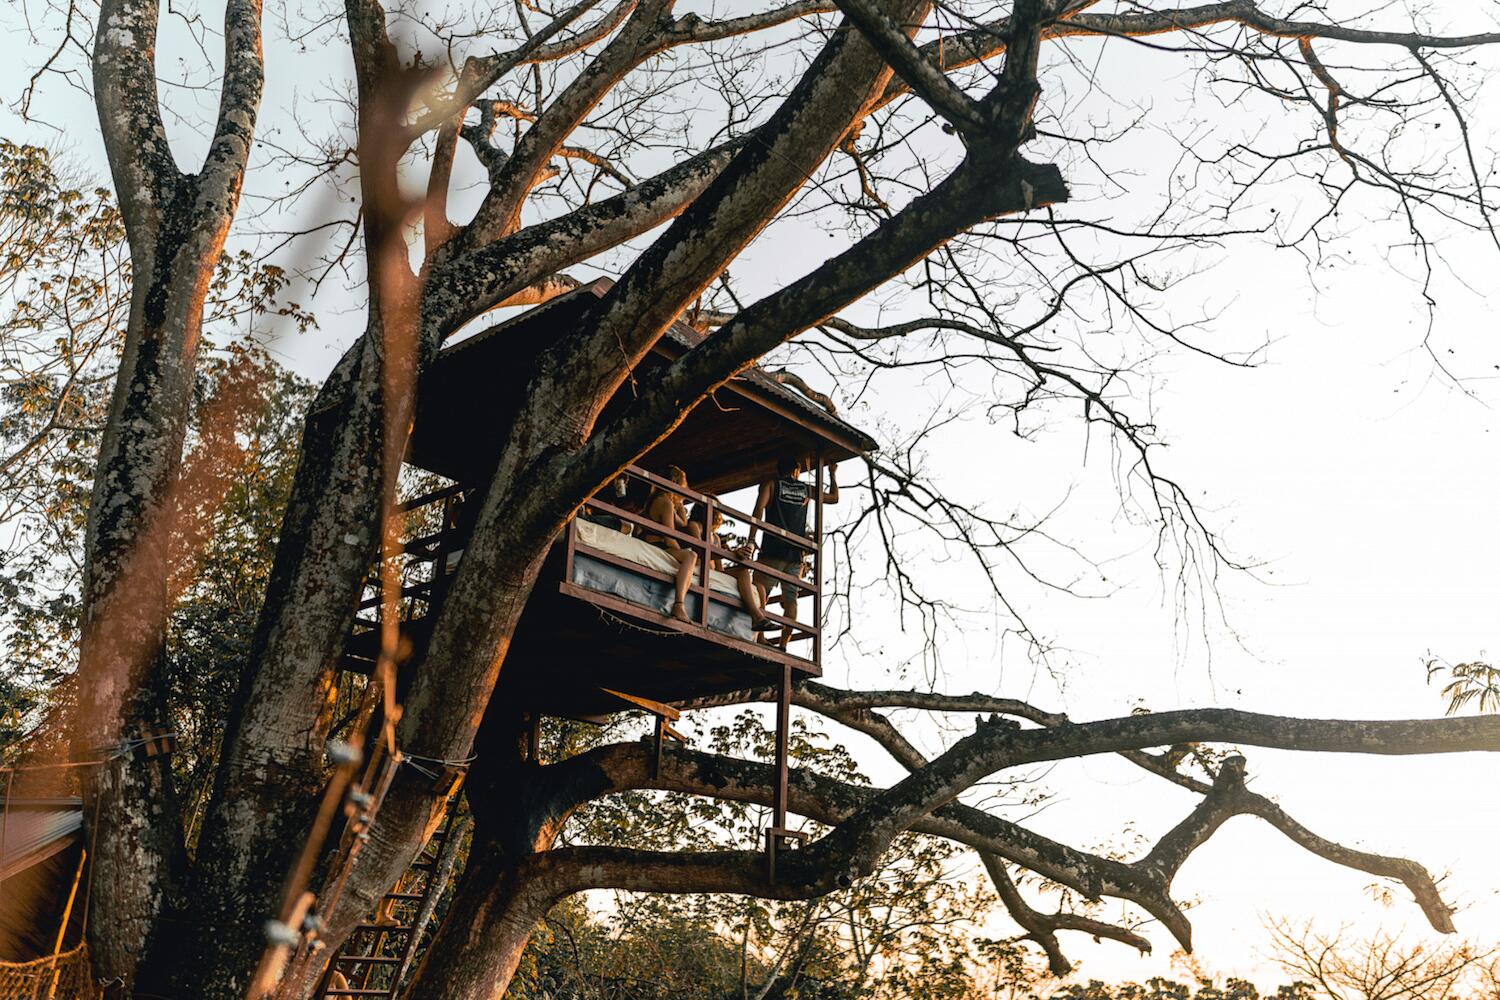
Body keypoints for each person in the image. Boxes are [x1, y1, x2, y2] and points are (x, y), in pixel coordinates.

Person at [752, 456, 838, 648]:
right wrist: (832, 474)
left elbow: (758, 510)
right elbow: (833, 498)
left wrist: (751, 540)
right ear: (797, 471)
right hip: (795, 555)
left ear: (779, 470)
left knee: (759, 590)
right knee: (791, 600)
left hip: (772, 549)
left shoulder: (771, 484)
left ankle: (760, 638)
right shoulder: (805, 489)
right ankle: (783, 644)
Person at [689, 499, 773, 632]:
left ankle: (760, 631)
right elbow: (699, 551)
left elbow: (720, 568)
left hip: (714, 572)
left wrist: (736, 555)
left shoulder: (715, 537)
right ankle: (756, 615)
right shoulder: (695, 526)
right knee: (744, 574)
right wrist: (730, 553)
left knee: (750, 577)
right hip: (699, 567)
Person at [642, 465, 698, 622]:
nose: (685, 487)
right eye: (683, 483)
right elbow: (669, 537)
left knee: (689, 556)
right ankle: (679, 604)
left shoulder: (663, 501)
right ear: (675, 483)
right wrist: (682, 552)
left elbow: (684, 524)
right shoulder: (665, 502)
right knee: (690, 556)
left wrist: (679, 503)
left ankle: (679, 604)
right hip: (657, 544)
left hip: (657, 542)